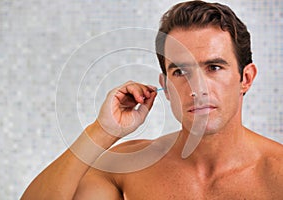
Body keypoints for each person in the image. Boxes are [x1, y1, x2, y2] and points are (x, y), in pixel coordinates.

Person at [22, 1, 283, 199]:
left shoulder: (277, 174)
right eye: (180, 72)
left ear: (246, 78)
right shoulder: (129, 168)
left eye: (213, 67)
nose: (197, 87)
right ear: (166, 87)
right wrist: (101, 132)